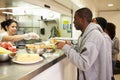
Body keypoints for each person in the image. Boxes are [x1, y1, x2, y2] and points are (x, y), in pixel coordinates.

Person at [56, 7, 112, 80]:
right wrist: (70, 46)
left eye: (75, 19)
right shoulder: (86, 34)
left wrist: (65, 48)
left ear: (82, 20)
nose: (73, 22)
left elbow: (83, 63)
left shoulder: (93, 36)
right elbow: (82, 50)